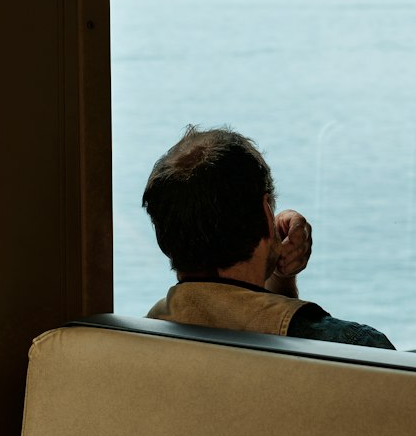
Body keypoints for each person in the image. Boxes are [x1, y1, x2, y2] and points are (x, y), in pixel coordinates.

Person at [142, 126, 395, 349]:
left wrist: (280, 276)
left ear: (163, 238)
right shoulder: (358, 348)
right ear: (266, 211)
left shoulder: (138, 340)